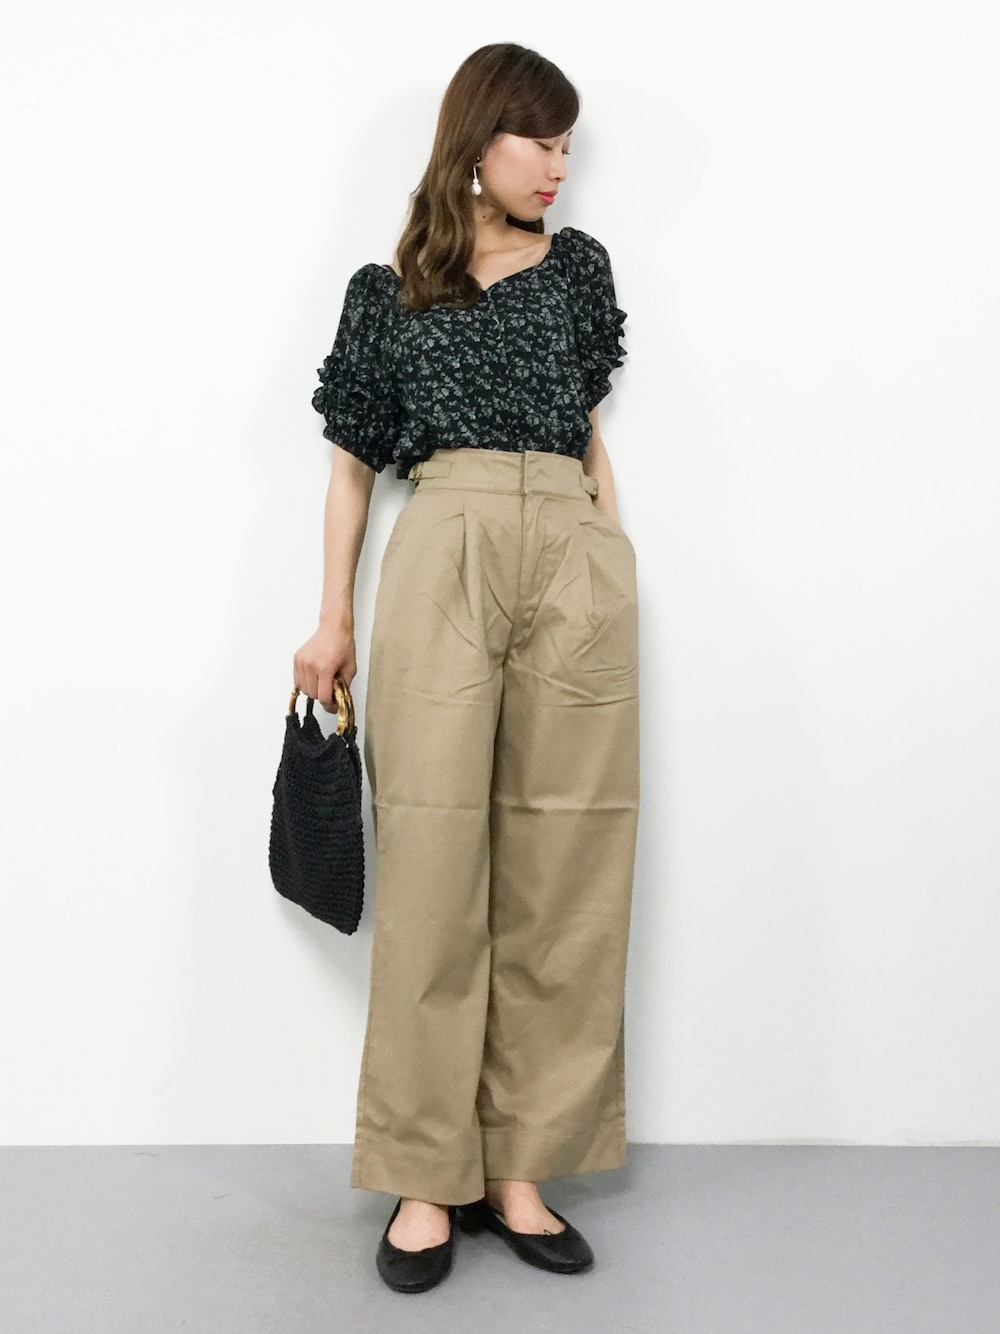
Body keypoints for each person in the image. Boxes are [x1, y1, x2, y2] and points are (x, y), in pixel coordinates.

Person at [293, 42, 639, 1293]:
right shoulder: (389, 291)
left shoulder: (579, 270)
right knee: (436, 859)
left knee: (566, 862)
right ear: (477, 138)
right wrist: (330, 619)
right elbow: (351, 467)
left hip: (571, 553)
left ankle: (520, 1166)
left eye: (567, 145)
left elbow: (586, 428)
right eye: (539, 139)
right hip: (444, 540)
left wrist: (611, 555)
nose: (558, 166)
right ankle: (424, 1171)